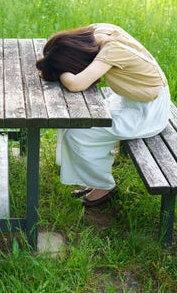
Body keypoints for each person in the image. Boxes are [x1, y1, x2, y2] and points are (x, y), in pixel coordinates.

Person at [36, 23, 170, 207]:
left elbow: (75, 84)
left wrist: (60, 70)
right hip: (131, 100)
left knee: (79, 133)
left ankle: (104, 186)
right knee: (74, 122)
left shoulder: (111, 50)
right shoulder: (100, 31)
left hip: (147, 112)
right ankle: (93, 178)